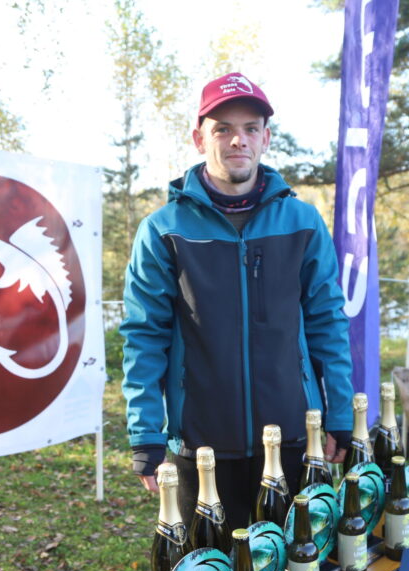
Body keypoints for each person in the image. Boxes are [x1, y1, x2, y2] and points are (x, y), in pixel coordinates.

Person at [120, 72, 354, 532]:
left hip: (293, 436)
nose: (237, 140)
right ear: (199, 138)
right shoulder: (162, 230)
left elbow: (328, 321)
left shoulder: (303, 221)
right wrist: (146, 433)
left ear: (266, 138)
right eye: (222, 128)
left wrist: (340, 414)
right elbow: (143, 336)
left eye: (250, 128)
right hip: (202, 446)